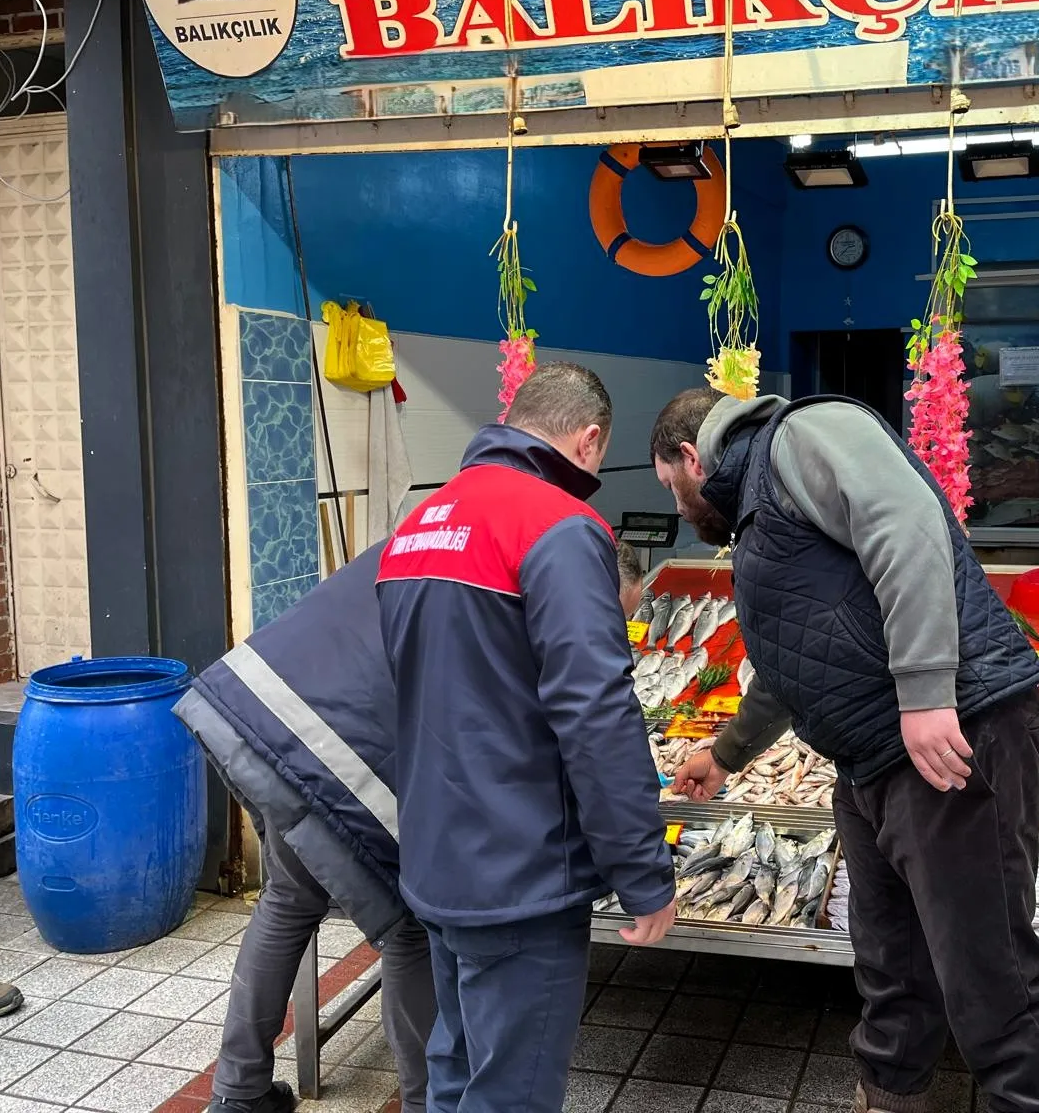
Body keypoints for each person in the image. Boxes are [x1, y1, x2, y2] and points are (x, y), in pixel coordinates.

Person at [655, 389, 1039, 1113]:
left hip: (952, 735)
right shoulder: (757, 510)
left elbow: (906, 523)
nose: (676, 508)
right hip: (871, 761)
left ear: (692, 457)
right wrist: (726, 755)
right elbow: (795, 659)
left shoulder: (804, 433)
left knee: (992, 978)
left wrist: (925, 692)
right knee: (892, 961)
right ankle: (890, 1098)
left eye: (671, 487)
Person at [378, 362, 676, 1113]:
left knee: (455, 1071)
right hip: (520, 874)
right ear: (589, 439)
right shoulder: (560, 526)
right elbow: (595, 709)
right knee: (512, 1092)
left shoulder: (420, 523)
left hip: (437, 858)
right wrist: (643, 872)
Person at [177, 540, 437, 1113]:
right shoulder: (524, 561)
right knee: (409, 921)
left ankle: (239, 1092)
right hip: (320, 745)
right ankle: (427, 1103)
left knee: (289, 898)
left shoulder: (432, 528)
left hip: (251, 705)